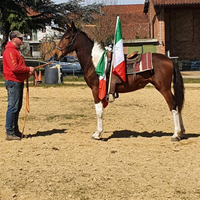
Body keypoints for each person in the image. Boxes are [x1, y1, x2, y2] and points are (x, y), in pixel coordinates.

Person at [3, 30, 35, 141]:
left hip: (18, 81)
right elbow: (14, 68)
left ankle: (14, 130)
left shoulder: (16, 51)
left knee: (17, 107)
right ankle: (10, 132)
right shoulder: (10, 51)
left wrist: (27, 73)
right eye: (20, 38)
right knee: (12, 107)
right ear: (13, 39)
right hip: (13, 82)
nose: (22, 40)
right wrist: (27, 69)